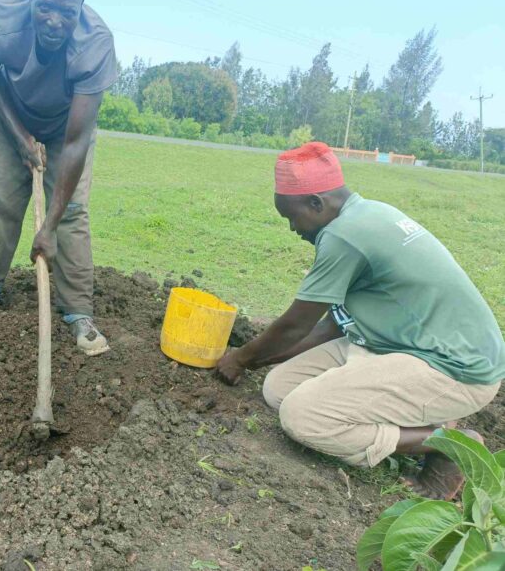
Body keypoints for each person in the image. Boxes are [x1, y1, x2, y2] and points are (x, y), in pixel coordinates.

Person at [215, 142, 504, 500]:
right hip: (399, 344)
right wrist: (260, 361)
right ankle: (421, 419)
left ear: (316, 203)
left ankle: (448, 444)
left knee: (302, 416)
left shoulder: (343, 236)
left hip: (455, 368)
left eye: (292, 217)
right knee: (279, 389)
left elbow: (296, 325)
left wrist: (239, 359)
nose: (292, 228)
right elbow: (332, 326)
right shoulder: (370, 212)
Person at [0, 0, 117, 356]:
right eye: (45, 7)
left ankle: (78, 312)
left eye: (67, 12)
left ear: (81, 8)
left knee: (72, 212)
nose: (54, 21)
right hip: (11, 114)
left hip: (67, 129)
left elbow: (77, 142)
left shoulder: (96, 43)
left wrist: (50, 225)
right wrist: (19, 135)